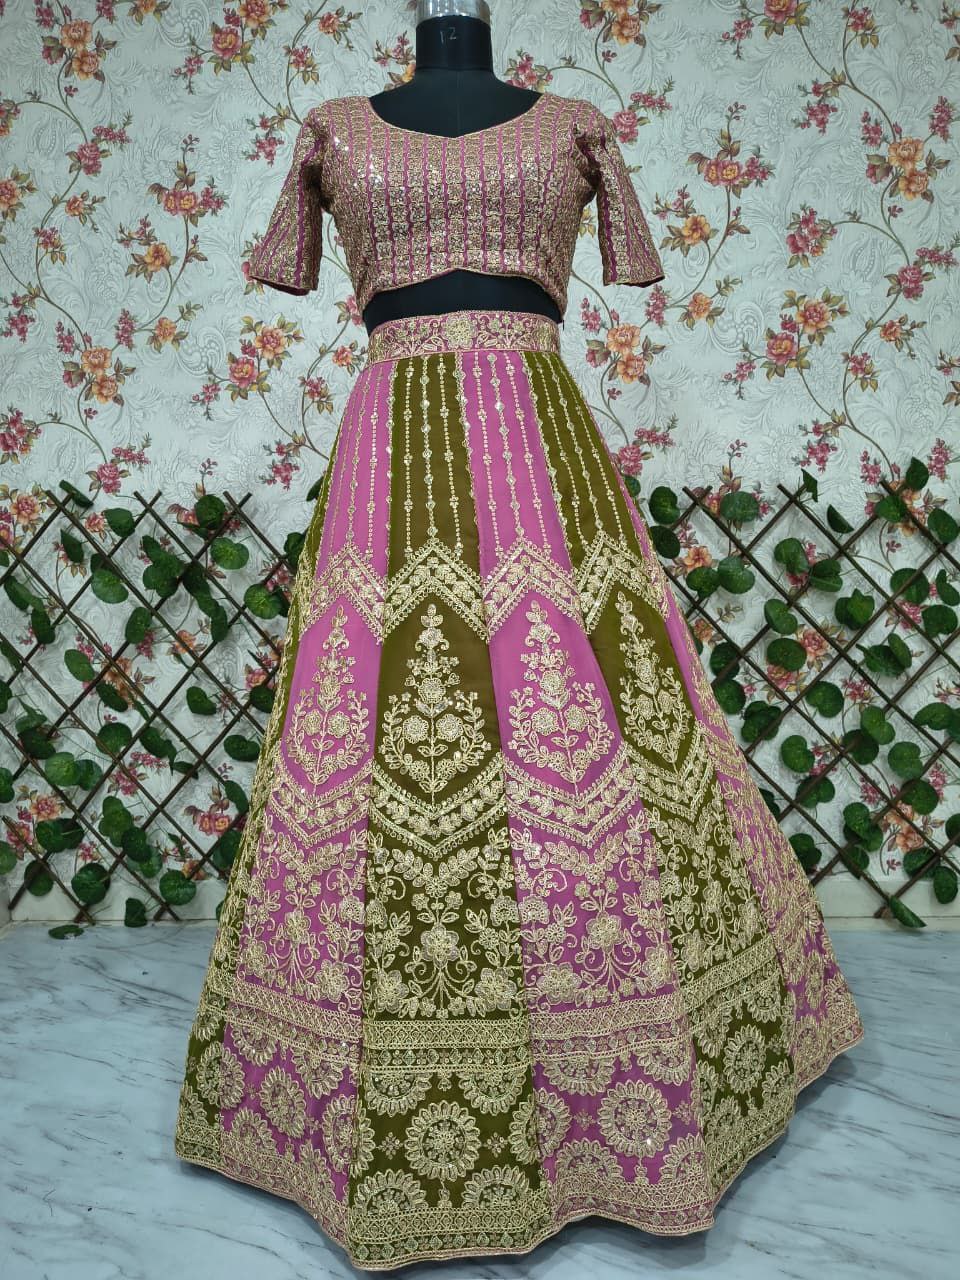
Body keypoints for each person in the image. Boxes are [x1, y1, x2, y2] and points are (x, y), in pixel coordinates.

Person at [173, 1, 865, 1269]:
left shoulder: (576, 125)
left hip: (542, 443)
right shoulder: (331, 130)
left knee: (589, 724)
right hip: (390, 447)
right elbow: (288, 260)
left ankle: (634, 1074)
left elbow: (632, 259)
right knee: (376, 729)